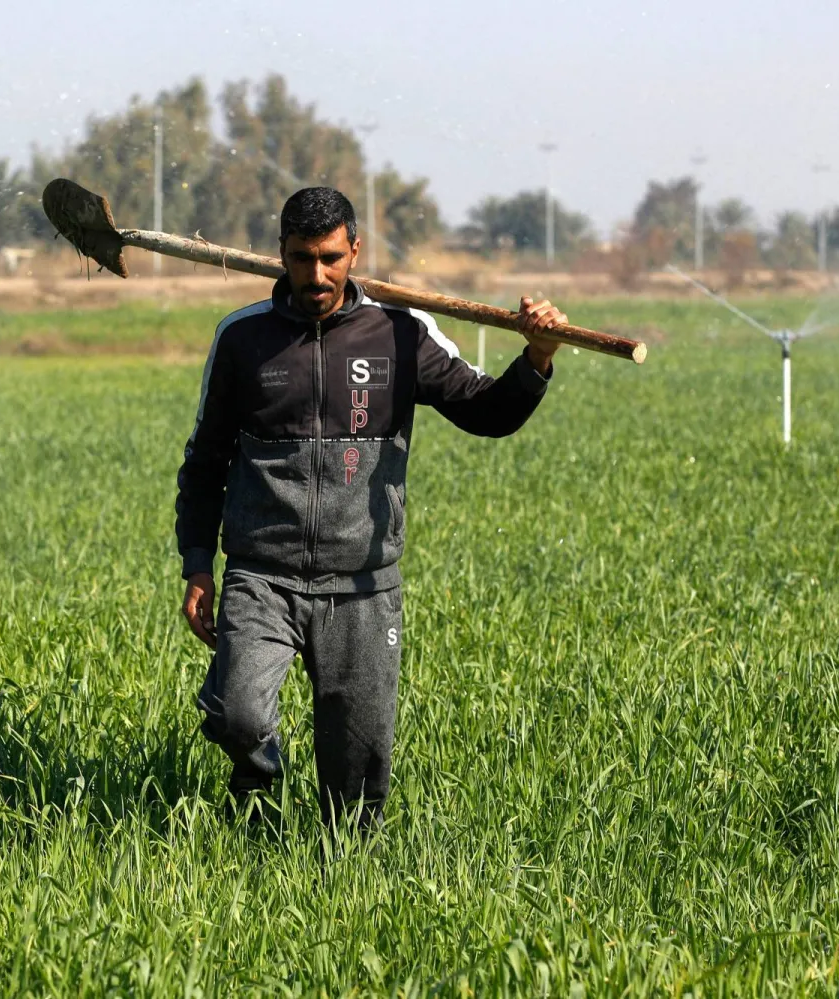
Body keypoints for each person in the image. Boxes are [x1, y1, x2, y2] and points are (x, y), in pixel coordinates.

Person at [175, 186, 568, 829]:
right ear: (281, 254)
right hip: (261, 573)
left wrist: (538, 357)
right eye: (301, 258)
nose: (317, 275)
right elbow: (205, 459)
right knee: (238, 715)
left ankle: (343, 880)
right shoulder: (243, 339)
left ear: (355, 249)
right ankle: (257, 791)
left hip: (362, 582)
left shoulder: (401, 333)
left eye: (331, 257)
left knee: (356, 794)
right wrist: (197, 562)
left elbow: (488, 413)